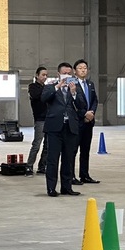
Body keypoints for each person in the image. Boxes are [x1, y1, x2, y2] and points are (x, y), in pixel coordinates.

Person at [41, 62, 87, 197]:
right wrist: (57, 86)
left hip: (70, 127)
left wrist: (73, 94)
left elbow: (82, 105)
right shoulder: (50, 87)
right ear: (58, 74)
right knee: (52, 159)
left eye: (69, 73)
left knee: (68, 159)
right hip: (54, 128)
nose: (67, 76)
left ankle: (66, 187)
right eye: (64, 73)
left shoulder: (76, 87)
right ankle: (51, 188)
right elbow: (44, 98)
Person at [71, 59, 100, 185]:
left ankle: (84, 175)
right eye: (80, 68)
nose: (83, 70)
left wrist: (92, 113)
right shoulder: (71, 84)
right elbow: (72, 103)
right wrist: (84, 114)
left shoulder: (90, 84)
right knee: (73, 150)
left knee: (85, 150)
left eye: (85, 68)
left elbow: (95, 100)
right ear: (74, 71)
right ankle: (70, 176)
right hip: (78, 121)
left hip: (89, 122)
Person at [25, 66, 48, 177]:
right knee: (37, 144)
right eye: (43, 75)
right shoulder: (33, 87)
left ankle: (42, 166)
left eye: (46, 75)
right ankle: (29, 166)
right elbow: (37, 96)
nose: (45, 77)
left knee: (47, 145)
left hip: (49, 119)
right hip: (40, 119)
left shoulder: (47, 87)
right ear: (37, 75)